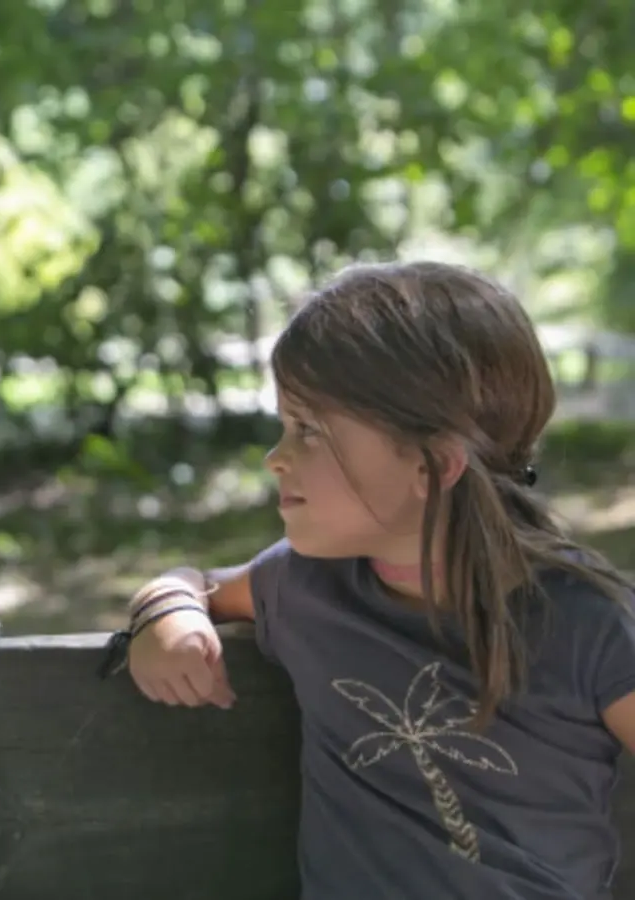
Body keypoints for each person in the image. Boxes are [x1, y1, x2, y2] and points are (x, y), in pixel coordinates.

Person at [120, 260, 635, 899]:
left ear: (436, 462)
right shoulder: (304, 586)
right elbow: (192, 583)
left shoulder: (587, 622)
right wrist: (163, 614)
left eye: (308, 431)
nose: (275, 458)